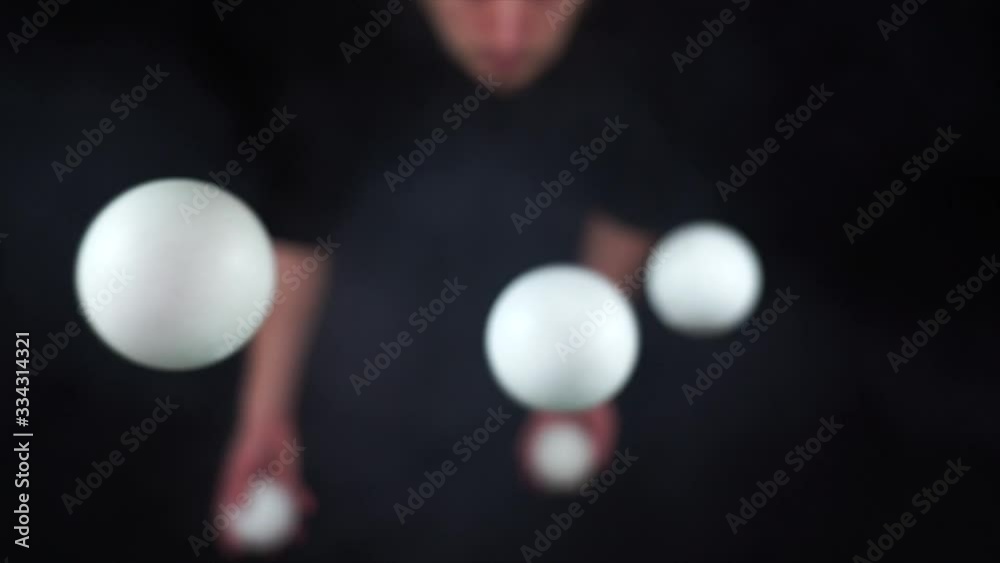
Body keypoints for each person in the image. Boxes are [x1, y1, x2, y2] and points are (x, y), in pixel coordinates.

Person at [213, 0, 708, 558]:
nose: (508, 33)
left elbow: (637, 185)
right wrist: (265, 417)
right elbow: (299, 213)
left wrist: (578, 360)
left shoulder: (668, 33)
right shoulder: (329, 35)